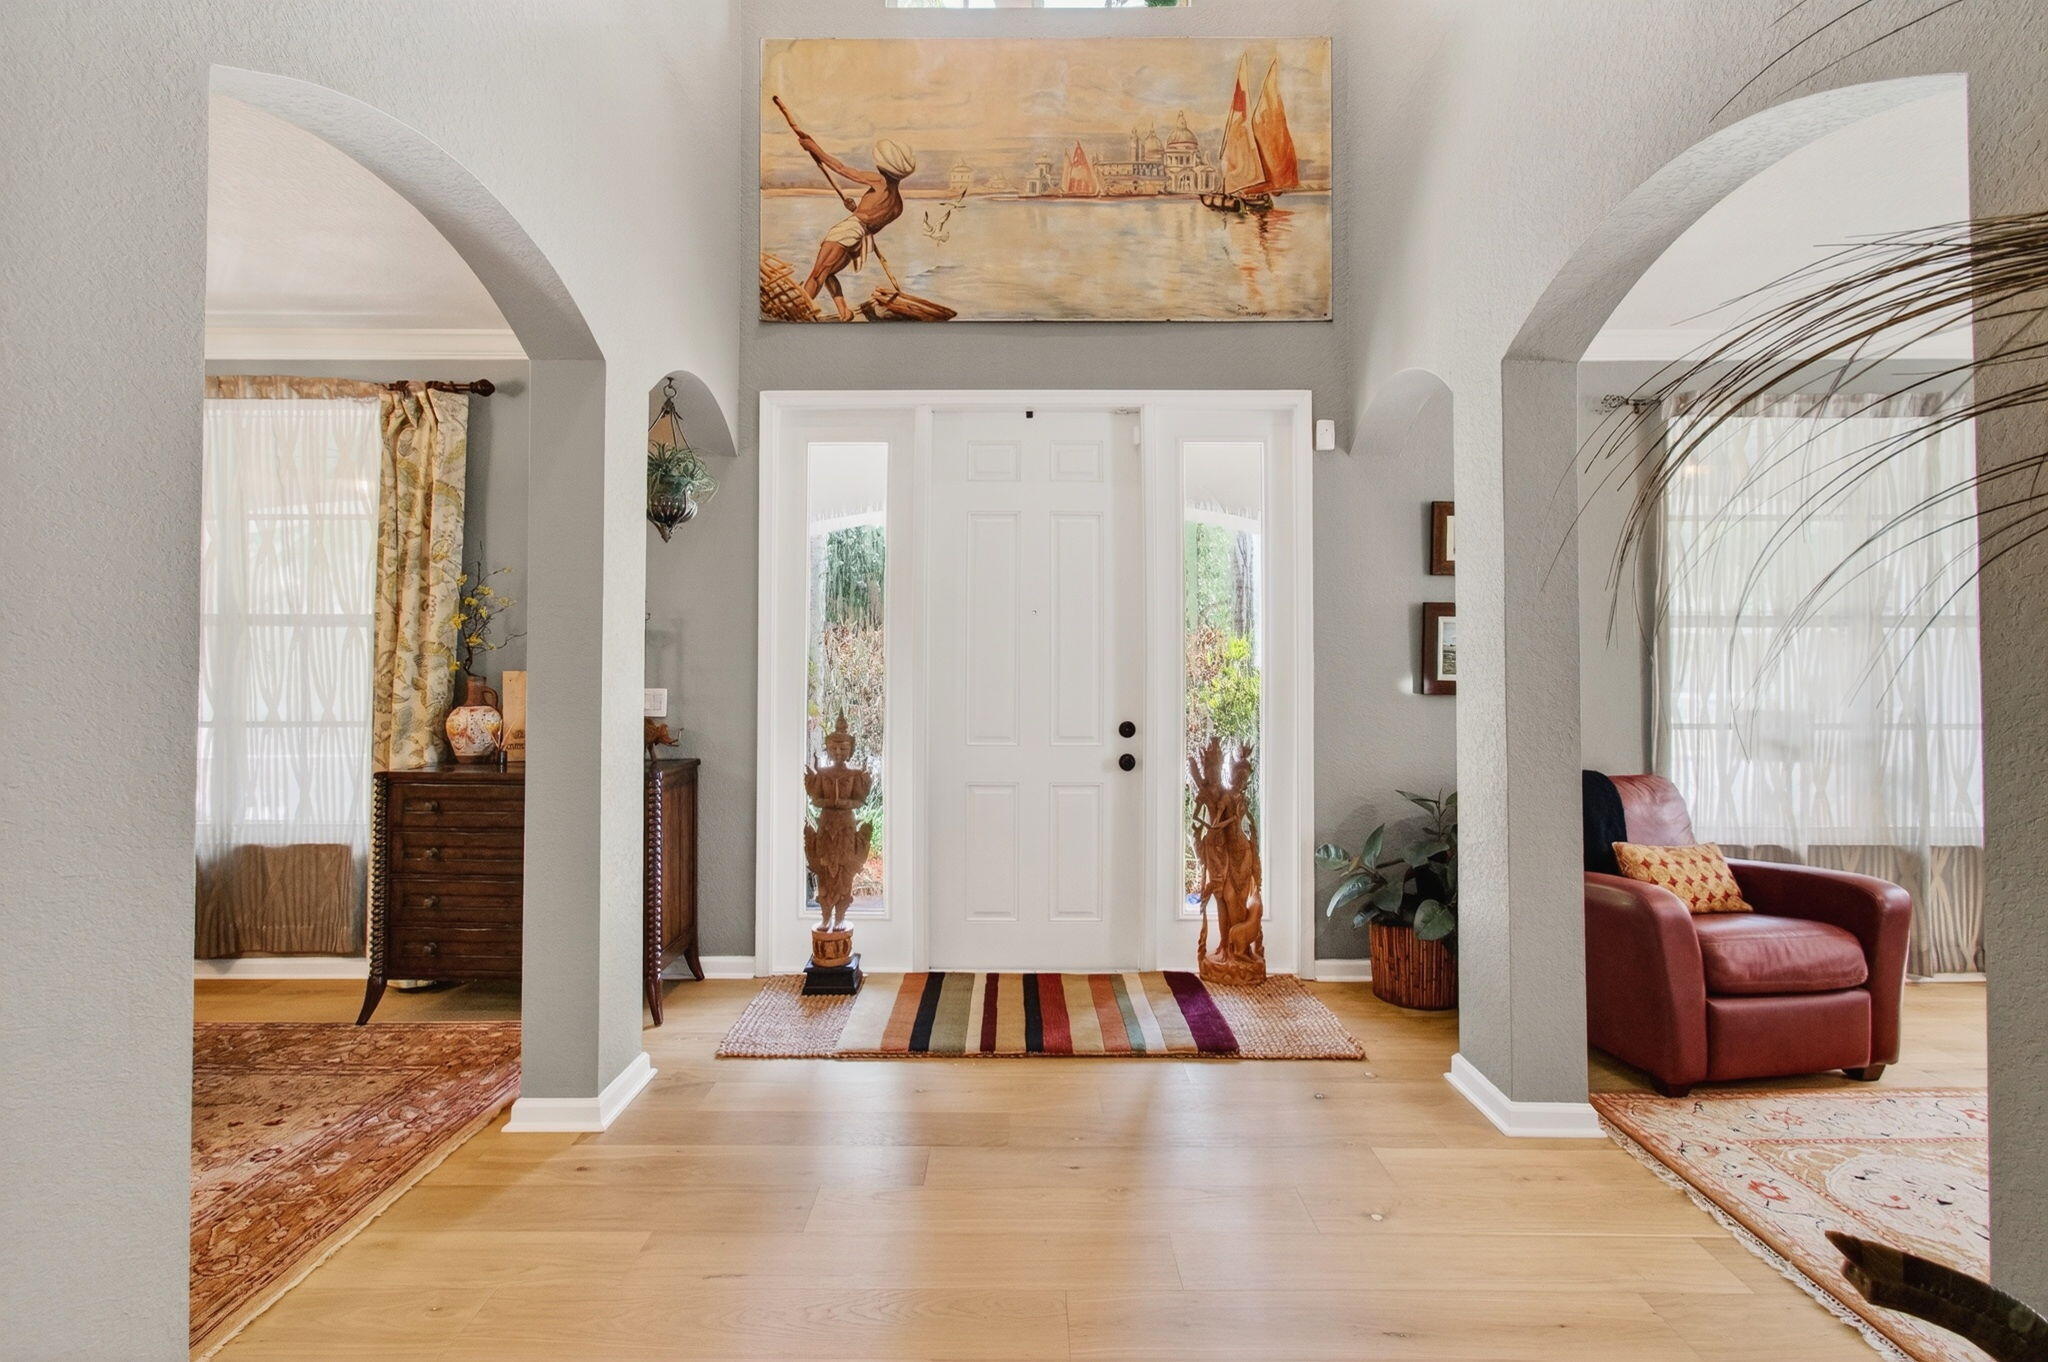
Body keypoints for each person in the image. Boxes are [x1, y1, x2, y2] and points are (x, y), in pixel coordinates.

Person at [792, 127, 917, 320]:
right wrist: (855, 209)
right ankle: (845, 312)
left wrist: (813, 147)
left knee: (817, 275)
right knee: (828, 273)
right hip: (860, 240)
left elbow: (841, 169)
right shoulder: (898, 205)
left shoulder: (879, 181)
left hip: (849, 231)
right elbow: (870, 223)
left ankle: (797, 314)